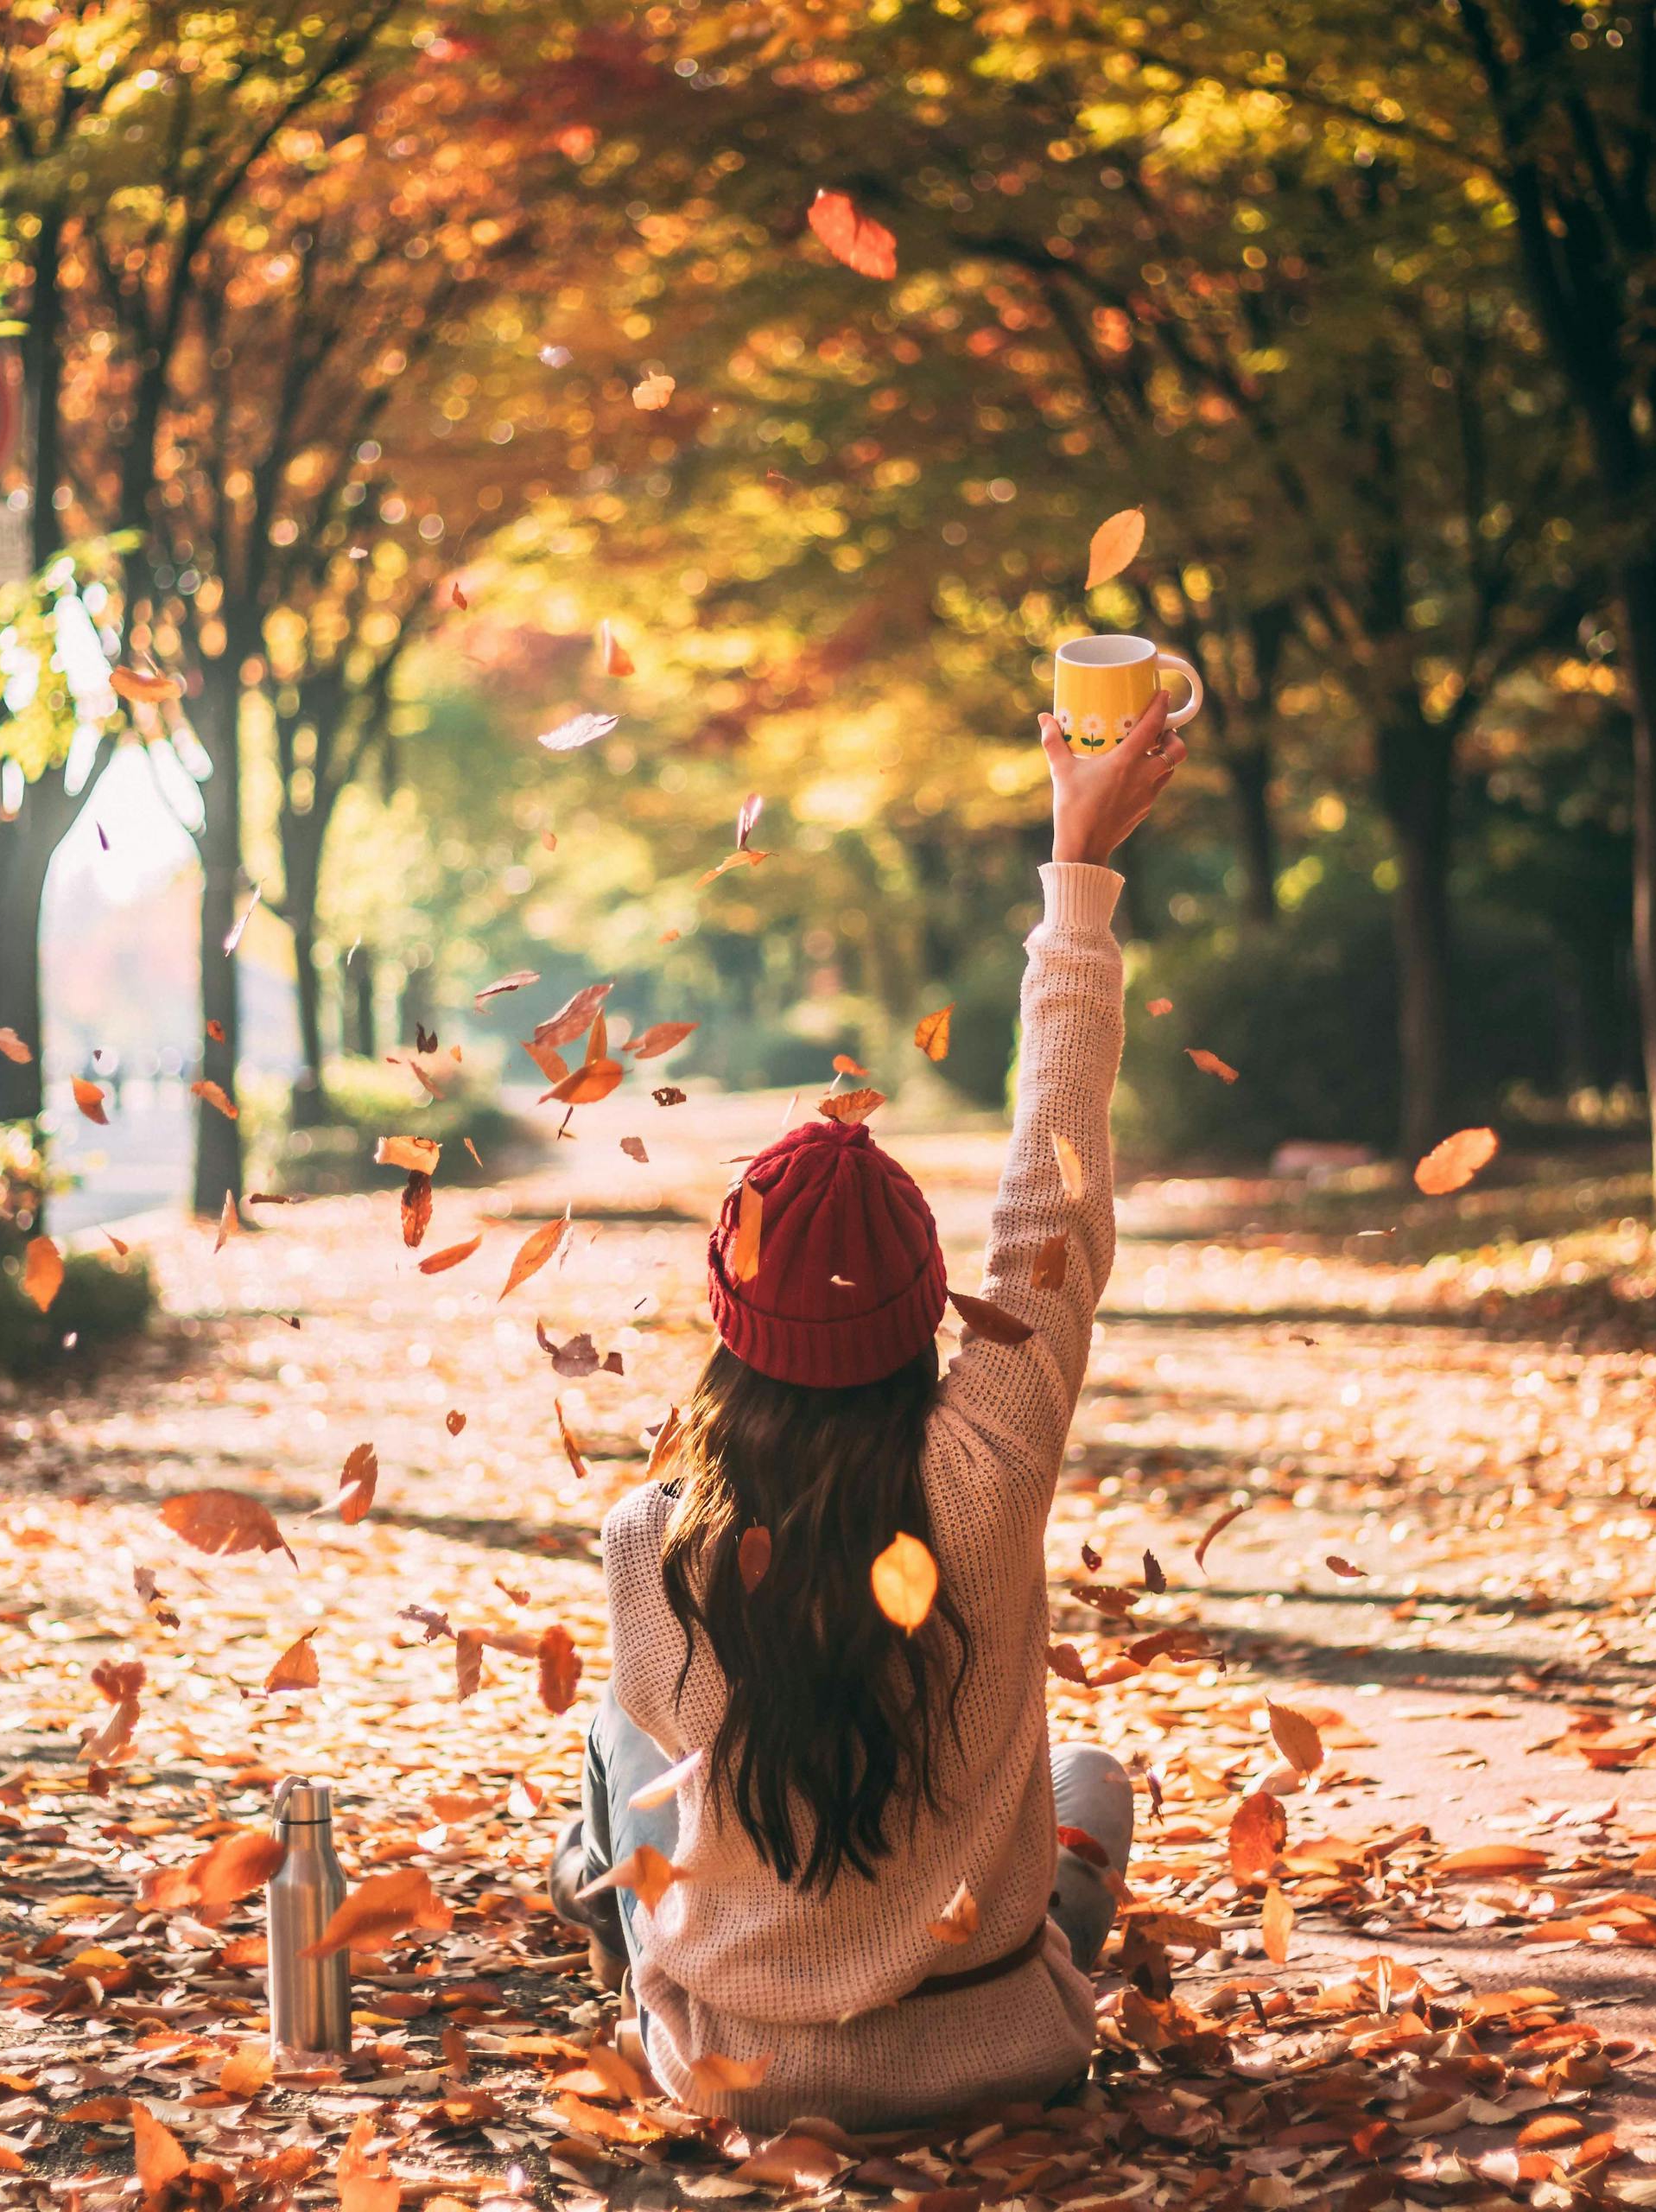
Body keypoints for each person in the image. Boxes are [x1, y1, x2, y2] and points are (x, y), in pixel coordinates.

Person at [550, 690, 1190, 2131]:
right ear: (929, 1312)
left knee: (617, 1745)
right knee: (1087, 1774)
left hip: (738, 2075)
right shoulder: (988, 1463)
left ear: (730, 1329)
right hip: (997, 2048)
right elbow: (1055, 1198)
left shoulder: (653, 1535)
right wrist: (1075, 882)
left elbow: (675, 1752)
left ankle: (588, 1891)